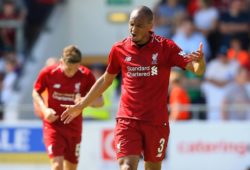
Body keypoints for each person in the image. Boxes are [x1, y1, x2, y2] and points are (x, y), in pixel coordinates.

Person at [61, 6, 205, 170]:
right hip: (128, 120)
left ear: (150, 26)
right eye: (131, 24)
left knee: (152, 167)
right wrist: (82, 105)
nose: (133, 29)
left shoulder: (166, 47)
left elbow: (197, 69)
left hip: (156, 122)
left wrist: (200, 61)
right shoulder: (119, 49)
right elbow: (105, 80)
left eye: (139, 25)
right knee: (127, 166)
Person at [32, 45, 103, 170]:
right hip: (53, 125)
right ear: (61, 62)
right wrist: (44, 109)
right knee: (57, 165)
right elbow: (36, 92)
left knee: (71, 168)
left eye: (75, 69)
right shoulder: (48, 73)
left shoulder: (86, 75)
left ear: (80, 64)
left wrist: (85, 102)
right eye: (68, 68)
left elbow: (100, 101)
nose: (71, 72)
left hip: (74, 127)